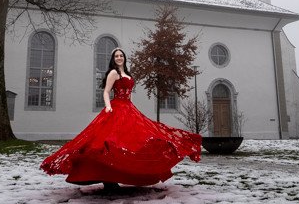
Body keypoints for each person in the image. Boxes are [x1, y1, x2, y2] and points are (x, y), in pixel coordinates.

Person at [40, 48, 201, 190]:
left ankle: (121, 175)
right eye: (116, 56)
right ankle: (106, 177)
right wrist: (108, 106)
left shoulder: (126, 74)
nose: (119, 57)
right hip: (116, 107)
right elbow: (105, 92)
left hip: (129, 107)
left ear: (124, 58)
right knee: (108, 141)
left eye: (121, 55)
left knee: (137, 138)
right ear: (113, 59)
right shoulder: (113, 73)